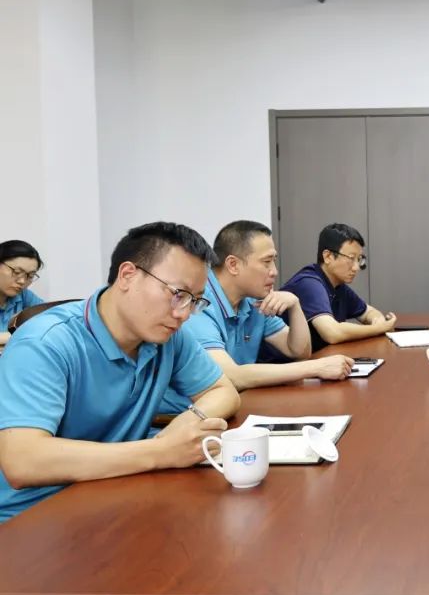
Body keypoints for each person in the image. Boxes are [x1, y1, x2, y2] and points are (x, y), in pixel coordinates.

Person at [0, 222, 241, 522]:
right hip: (33, 517)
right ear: (128, 275)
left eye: (194, 300)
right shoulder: (45, 342)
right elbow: (23, 461)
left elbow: (222, 391)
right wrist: (161, 452)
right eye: (177, 293)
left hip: (116, 490)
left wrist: (187, 423)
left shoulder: (168, 337)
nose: (182, 314)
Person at [157, 221, 353, 412]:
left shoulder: (252, 300)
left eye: (274, 261)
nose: (274, 271)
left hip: (237, 404)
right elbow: (230, 376)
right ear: (233, 265)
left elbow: (298, 351)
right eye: (267, 262)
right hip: (185, 417)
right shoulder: (199, 302)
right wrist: (316, 368)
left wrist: (295, 306)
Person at [279, 223, 396, 351]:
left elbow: (368, 312)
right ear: (328, 256)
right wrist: (378, 328)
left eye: (359, 259)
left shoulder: (338, 286)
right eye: (351, 258)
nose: (356, 267)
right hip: (282, 362)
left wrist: (377, 320)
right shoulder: (309, 283)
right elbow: (332, 333)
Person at [0, 240, 46, 347]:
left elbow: (50, 320)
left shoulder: (24, 295)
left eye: (30, 276)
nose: (22, 281)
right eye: (17, 272)